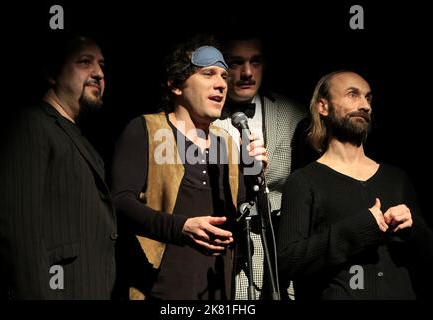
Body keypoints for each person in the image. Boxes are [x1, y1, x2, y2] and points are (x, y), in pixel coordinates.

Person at [111, 35, 267, 300]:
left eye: (224, 77)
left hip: (216, 291)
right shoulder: (147, 130)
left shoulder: (226, 143)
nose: (220, 85)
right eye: (208, 74)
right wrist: (180, 228)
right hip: (157, 290)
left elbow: (246, 217)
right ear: (175, 85)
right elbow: (119, 202)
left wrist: (257, 176)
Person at [277, 70, 433, 300]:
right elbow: (288, 261)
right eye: (353, 95)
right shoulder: (303, 182)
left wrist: (413, 230)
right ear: (323, 106)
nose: (365, 106)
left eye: (368, 98)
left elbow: (428, 257)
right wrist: (360, 228)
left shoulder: (396, 178)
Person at [0, 34, 117, 299]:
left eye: (102, 65)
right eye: (85, 62)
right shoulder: (32, 125)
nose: (99, 73)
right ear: (51, 73)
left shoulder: (79, 139)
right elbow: (17, 228)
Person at [213, 32, 306, 300]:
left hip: (279, 247)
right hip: (227, 246)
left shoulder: (293, 114)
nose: (247, 73)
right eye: (235, 63)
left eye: (255, 62)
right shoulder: (202, 118)